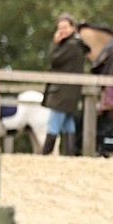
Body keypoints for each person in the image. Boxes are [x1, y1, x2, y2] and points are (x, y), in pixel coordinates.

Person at [41, 13, 85, 155]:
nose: (62, 31)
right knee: (68, 125)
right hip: (70, 93)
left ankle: (45, 155)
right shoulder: (77, 44)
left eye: (65, 27)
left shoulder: (70, 46)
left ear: (73, 28)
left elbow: (54, 60)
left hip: (62, 92)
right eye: (60, 28)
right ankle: (69, 155)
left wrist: (55, 43)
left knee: (53, 124)